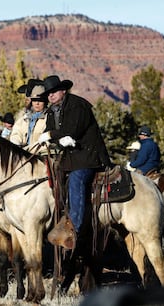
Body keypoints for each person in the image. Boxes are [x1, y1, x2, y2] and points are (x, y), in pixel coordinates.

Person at [38, 75, 111, 237]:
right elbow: (52, 133)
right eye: (48, 93)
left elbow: (73, 131)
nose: (50, 95)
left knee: (77, 179)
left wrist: (51, 134)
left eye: (54, 91)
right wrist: (47, 137)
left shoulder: (78, 105)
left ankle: (74, 228)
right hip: (67, 158)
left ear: (63, 90)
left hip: (87, 156)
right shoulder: (51, 112)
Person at [10, 84, 48, 154]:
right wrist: (16, 142)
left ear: (45, 101)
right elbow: (16, 132)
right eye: (34, 100)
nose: (37, 103)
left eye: (40, 100)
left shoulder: (48, 118)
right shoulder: (24, 118)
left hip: (40, 154)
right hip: (22, 153)